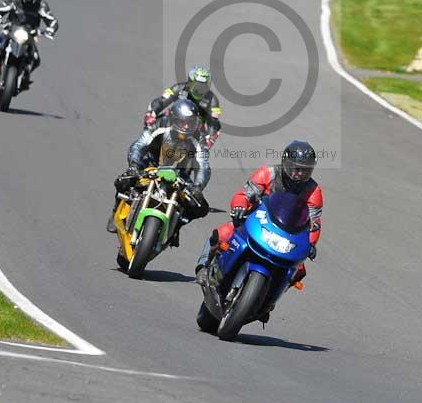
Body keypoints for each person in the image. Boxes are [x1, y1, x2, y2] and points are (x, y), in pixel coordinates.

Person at [195, 140, 323, 288]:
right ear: (286, 163)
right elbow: (244, 194)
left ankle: (272, 294)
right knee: (223, 233)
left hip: (287, 234)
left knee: (298, 269)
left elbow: (314, 221)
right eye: (296, 168)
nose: (300, 174)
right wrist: (239, 206)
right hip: (255, 221)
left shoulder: (313, 191)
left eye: (305, 170)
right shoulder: (268, 173)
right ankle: (204, 266)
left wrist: (311, 243)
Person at [107, 98, 210, 237]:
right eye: (182, 122)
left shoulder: (198, 137)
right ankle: (115, 211)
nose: (186, 127)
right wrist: (134, 165)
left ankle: (176, 226)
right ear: (173, 119)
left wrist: (197, 187)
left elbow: (203, 165)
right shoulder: (160, 124)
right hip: (151, 164)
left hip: (179, 174)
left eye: (190, 123)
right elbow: (139, 144)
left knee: (200, 207)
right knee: (123, 181)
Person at [0, 0, 58, 87]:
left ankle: (25, 75)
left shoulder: (41, 5)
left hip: (30, 34)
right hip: (10, 30)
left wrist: (50, 30)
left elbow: (52, 20)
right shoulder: (14, 0)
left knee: (36, 59)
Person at [141, 65, 221, 149]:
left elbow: (213, 121)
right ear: (190, 82)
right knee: (154, 125)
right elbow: (163, 100)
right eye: (197, 85)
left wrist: (210, 137)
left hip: (195, 127)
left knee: (203, 148)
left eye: (203, 86)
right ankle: (142, 146)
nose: (200, 89)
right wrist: (152, 113)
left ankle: (196, 155)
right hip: (174, 119)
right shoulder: (179, 88)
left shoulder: (212, 99)